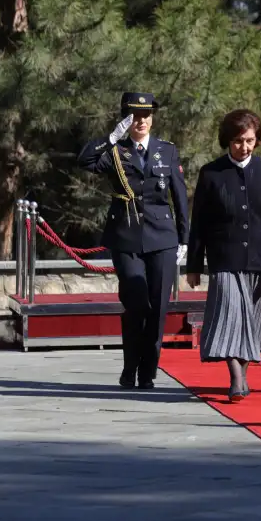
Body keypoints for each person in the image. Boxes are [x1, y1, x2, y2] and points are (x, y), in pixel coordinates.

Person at [78, 92, 189, 389]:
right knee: (136, 304)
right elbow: (85, 160)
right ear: (126, 118)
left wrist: (184, 237)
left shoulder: (166, 151)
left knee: (158, 308)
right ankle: (130, 367)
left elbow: (179, 195)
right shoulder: (115, 150)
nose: (142, 121)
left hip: (162, 237)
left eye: (146, 115)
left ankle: (148, 371)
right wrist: (111, 136)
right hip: (126, 237)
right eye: (135, 116)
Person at [185, 110, 261, 400]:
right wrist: (193, 265)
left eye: (249, 140)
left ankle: (242, 375)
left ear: (258, 140)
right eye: (237, 141)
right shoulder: (211, 173)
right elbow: (200, 224)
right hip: (224, 259)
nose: (243, 147)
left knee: (253, 322)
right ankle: (235, 377)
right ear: (227, 140)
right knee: (229, 318)